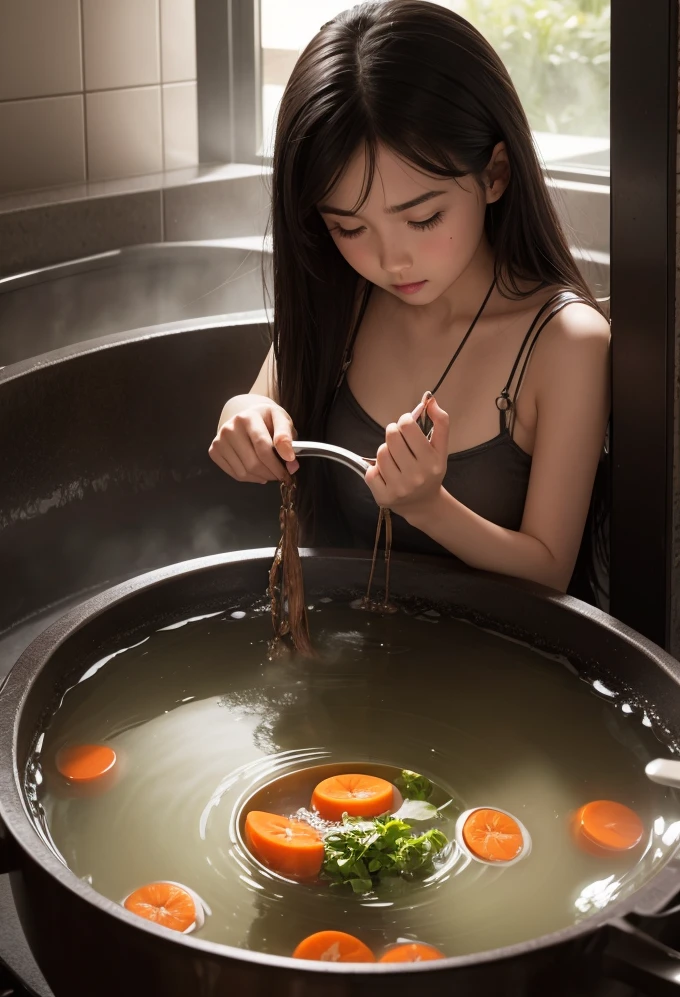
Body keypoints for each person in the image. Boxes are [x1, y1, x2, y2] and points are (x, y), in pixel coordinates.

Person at [209, 0, 610, 600]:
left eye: (422, 218)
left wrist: (428, 506)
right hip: (354, 647)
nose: (391, 260)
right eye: (349, 228)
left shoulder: (565, 342)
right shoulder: (345, 298)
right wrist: (241, 415)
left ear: (495, 175)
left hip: (500, 670)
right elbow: (260, 402)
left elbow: (550, 570)